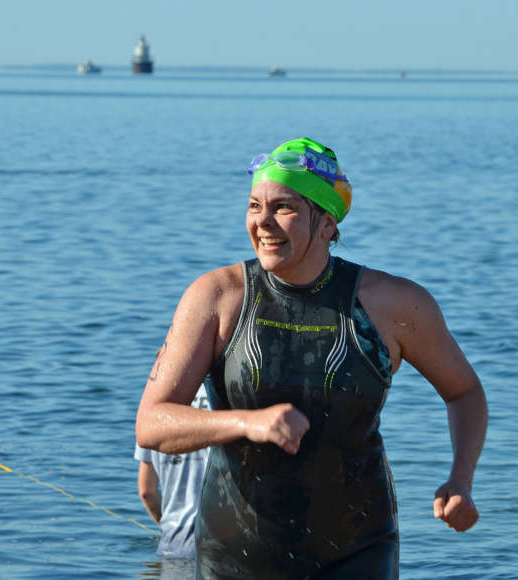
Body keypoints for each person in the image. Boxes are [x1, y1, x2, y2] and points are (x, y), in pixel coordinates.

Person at [135, 137, 488, 579]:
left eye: (283, 208)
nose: (262, 222)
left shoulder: (394, 305)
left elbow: (465, 392)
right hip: (236, 557)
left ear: (326, 224)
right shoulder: (217, 297)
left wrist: (461, 480)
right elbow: (151, 423)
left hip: (358, 552)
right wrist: (247, 423)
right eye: (253, 205)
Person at [135, 383, 210, 560]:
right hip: (217, 541)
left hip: (173, 543)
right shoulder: (227, 394)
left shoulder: (153, 404)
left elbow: (147, 491)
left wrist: (169, 526)